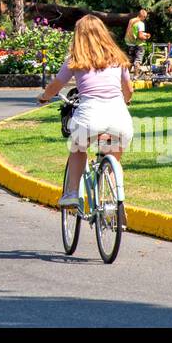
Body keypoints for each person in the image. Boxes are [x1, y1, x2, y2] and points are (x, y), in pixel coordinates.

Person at [37, 15, 134, 209]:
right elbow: (129, 90)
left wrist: (44, 97)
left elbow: (56, 85)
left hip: (90, 116)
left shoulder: (76, 60)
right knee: (114, 156)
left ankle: (72, 192)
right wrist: (126, 101)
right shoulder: (118, 58)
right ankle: (113, 201)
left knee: (78, 147)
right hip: (120, 118)